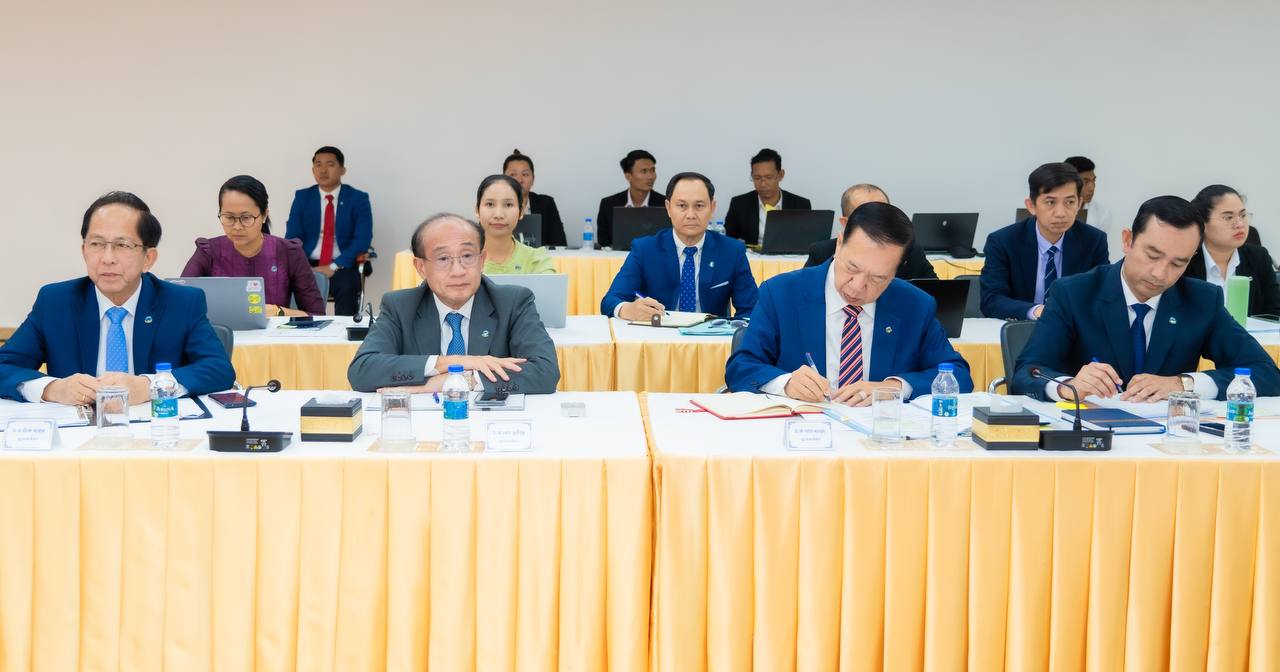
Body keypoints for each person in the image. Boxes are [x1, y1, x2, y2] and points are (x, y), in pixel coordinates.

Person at [1012, 195, 1280, 402]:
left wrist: (1183, 384)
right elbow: (1027, 374)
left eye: (1178, 263)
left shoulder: (1201, 299)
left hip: (1170, 439)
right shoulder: (1074, 293)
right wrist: (1067, 386)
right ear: (1127, 241)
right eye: (1152, 255)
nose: (1160, 274)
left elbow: (1266, 374)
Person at [0, 192, 236, 404]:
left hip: (156, 429)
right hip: (76, 432)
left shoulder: (181, 303)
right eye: (96, 244)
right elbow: (4, 366)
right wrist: (53, 389)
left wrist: (149, 386)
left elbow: (218, 369)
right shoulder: (55, 302)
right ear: (84, 251)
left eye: (122, 245)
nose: (107, 258)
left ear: (148, 258)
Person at [726, 202, 972, 404]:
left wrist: (894, 387)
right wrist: (786, 383)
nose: (857, 287)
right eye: (852, 268)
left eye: (878, 278)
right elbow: (741, 367)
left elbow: (958, 375)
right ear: (840, 242)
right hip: (804, 432)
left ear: (896, 271)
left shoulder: (914, 305)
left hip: (880, 436)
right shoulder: (781, 293)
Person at [347, 213, 559, 394]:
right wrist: (455, 362)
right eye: (443, 259)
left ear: (482, 260)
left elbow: (545, 372)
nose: (458, 271)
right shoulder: (400, 306)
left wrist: (458, 381)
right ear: (420, 267)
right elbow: (362, 370)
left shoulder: (513, 303)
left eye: (467, 256)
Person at [600, 172, 758, 320]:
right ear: (668, 208)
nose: (691, 215)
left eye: (699, 206)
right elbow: (610, 300)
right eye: (682, 206)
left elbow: (751, 309)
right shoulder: (645, 249)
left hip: (710, 336)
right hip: (657, 334)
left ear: (712, 207)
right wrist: (628, 309)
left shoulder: (732, 251)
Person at [980, 162, 1109, 320]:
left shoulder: (1093, 241)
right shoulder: (1003, 242)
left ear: (1079, 204)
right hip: (1021, 327)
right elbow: (992, 300)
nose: (1061, 213)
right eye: (1050, 202)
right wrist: (1037, 311)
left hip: (1072, 329)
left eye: (1069, 202)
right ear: (1031, 206)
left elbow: (1104, 295)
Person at [182, 175, 325, 317]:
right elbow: (180, 302)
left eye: (246, 218)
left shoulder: (288, 252)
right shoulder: (208, 251)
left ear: (264, 215)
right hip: (220, 331)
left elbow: (317, 315)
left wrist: (278, 312)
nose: (237, 227)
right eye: (229, 217)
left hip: (272, 332)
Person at [284, 146, 373, 315]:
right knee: (287, 282)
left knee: (346, 285)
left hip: (343, 265)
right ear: (313, 170)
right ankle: (299, 327)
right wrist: (302, 266)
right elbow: (293, 237)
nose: (323, 170)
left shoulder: (358, 199)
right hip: (307, 264)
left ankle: (344, 330)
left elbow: (362, 239)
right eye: (318, 165)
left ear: (342, 170)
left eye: (330, 164)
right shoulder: (302, 198)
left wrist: (333, 266)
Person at [804, 183, 938, 279]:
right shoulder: (822, 253)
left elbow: (937, 296)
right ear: (845, 223)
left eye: (885, 214)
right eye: (867, 217)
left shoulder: (911, 252)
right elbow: (804, 295)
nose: (879, 223)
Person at [1186, 184, 1280, 316]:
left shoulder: (1259, 257)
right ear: (1202, 223)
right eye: (1228, 217)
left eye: (1243, 215)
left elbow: (1274, 314)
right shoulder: (1185, 260)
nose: (1240, 224)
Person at [723, 148, 813, 245]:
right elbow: (727, 239)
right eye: (757, 178)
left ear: (781, 175)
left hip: (788, 254)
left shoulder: (800, 205)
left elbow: (807, 242)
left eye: (768, 177)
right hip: (750, 255)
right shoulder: (739, 204)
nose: (763, 184)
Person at [476, 174, 555, 275]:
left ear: (521, 211)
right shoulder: (463, 258)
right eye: (490, 204)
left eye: (508, 204)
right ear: (477, 210)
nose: (498, 215)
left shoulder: (536, 259)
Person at [595, 149, 666, 248]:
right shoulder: (608, 204)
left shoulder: (666, 204)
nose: (650, 176)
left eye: (652, 170)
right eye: (644, 171)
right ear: (628, 176)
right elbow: (604, 243)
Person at [503, 149, 566, 247]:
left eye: (525, 174)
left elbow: (559, 243)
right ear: (503, 179)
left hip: (539, 256)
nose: (519, 180)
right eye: (513, 174)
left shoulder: (546, 204)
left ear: (533, 179)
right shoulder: (494, 206)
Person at [1064, 156, 1113, 233]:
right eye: (1086, 181)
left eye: (1094, 180)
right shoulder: (1051, 208)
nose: (1092, 188)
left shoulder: (1102, 214)